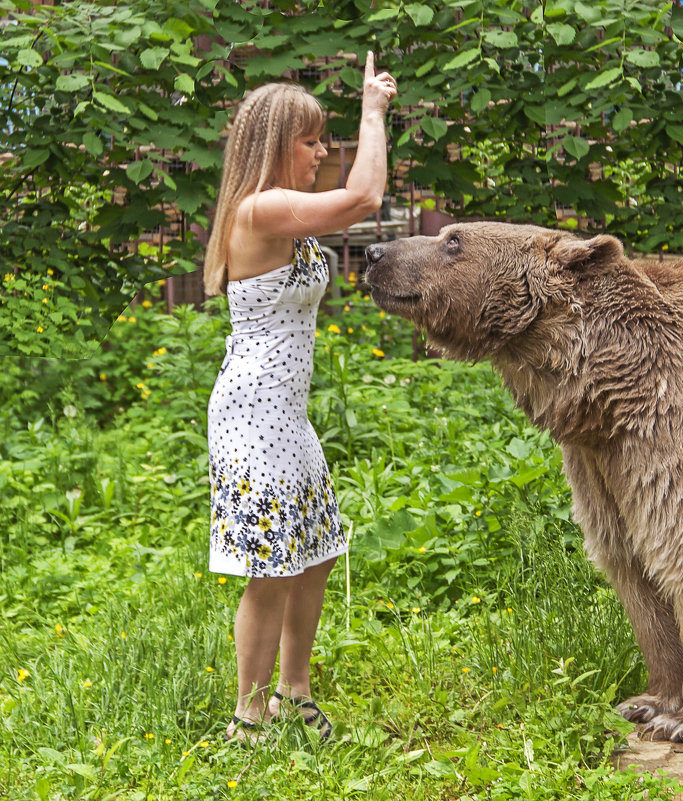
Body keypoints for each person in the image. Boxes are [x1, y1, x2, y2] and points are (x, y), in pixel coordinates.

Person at [202, 52, 397, 743]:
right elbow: (364, 197)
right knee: (271, 564)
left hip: (284, 415)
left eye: (327, 139)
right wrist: (373, 111)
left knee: (314, 549)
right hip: (254, 416)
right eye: (312, 141)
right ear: (275, 146)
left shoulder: (278, 212)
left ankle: (294, 691)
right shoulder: (263, 207)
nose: (323, 152)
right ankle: (248, 717)